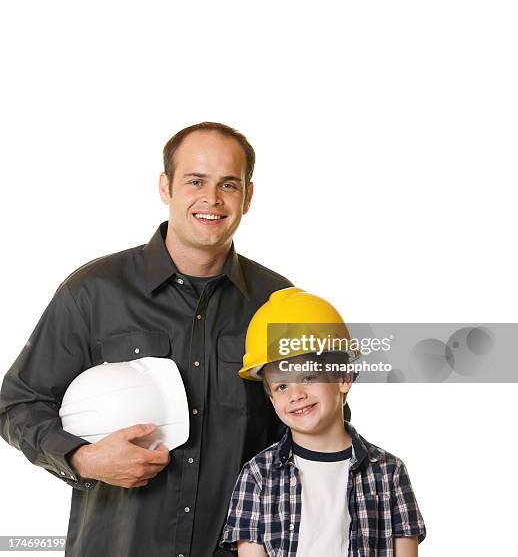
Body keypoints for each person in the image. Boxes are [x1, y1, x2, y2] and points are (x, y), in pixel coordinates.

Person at [0, 122, 294, 557]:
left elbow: (315, 429)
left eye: (228, 184)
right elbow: (18, 404)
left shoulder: (278, 305)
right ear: (166, 186)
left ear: (248, 197)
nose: (211, 199)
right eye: (196, 181)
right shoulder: (94, 291)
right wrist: (83, 459)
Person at [220, 288, 426, 556]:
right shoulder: (258, 475)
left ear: (344, 378)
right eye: (282, 386)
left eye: (308, 377)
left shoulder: (389, 473)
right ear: (270, 398)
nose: (296, 395)